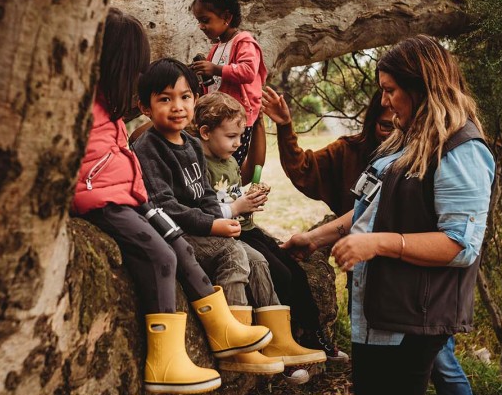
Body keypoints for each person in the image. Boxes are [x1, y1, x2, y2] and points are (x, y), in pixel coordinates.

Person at [262, 82, 502, 395]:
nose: (386, 99)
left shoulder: (460, 149)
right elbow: (367, 208)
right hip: (378, 304)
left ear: (424, 85)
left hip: (417, 308)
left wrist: (377, 244)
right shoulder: (403, 140)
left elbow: (460, 244)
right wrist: (317, 238)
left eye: (394, 89)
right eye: (383, 89)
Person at [71, 8, 273, 395]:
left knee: (177, 243)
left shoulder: (110, 113)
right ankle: (165, 362)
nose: (133, 83)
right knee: (161, 256)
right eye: (133, 74)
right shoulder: (84, 109)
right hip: (106, 203)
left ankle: (222, 329)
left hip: (131, 199)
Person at [132, 58, 326, 376]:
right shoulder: (149, 148)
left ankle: (277, 338)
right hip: (176, 234)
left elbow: (207, 196)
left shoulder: (191, 145)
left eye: (185, 97)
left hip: (203, 229)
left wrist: (223, 221)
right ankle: (234, 343)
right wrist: (212, 224)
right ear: (145, 107)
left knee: (259, 260)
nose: (178, 106)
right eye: (165, 99)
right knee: (233, 253)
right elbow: (165, 206)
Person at [194, 91, 349, 363]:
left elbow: (240, 182)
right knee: (277, 273)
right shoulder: (197, 164)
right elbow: (206, 209)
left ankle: (314, 336)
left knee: (295, 271)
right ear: (205, 132)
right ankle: (276, 342)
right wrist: (238, 206)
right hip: (227, 233)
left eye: (240, 136)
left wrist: (250, 199)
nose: (237, 143)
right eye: (231, 137)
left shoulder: (228, 160)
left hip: (247, 229)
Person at [263, 88, 393, 216]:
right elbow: (303, 169)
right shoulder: (348, 151)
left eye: (402, 126)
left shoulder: (411, 161)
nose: (394, 136)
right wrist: (285, 126)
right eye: (387, 126)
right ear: (372, 121)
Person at [190, 0, 267, 166]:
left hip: (238, 119)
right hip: (217, 118)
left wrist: (216, 69)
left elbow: (248, 72)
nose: (201, 26)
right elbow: (213, 84)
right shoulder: (216, 48)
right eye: (199, 21)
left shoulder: (244, 42)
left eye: (205, 20)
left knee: (231, 165)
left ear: (226, 17)